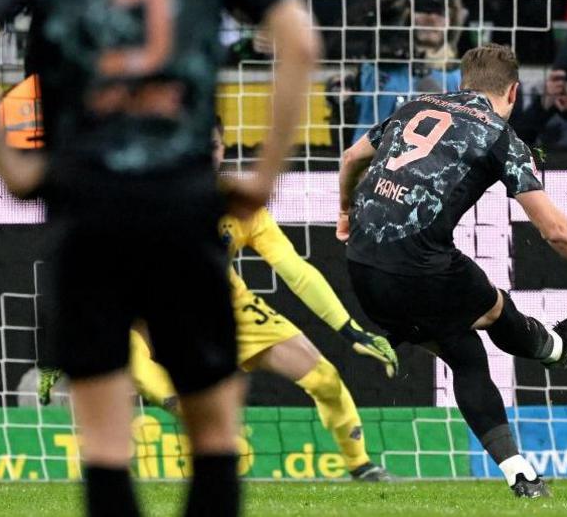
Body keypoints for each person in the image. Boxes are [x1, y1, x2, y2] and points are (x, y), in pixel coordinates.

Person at [0, 0, 318, 517]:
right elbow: (299, 39)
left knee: (105, 445)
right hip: (182, 204)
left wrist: (10, 168)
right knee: (216, 436)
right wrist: (266, 173)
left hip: (86, 207)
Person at [337, 43, 567, 498]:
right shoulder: (499, 136)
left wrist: (345, 210)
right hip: (421, 265)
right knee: (493, 311)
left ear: (463, 84)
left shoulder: (415, 105)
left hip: (362, 268)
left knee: (464, 353)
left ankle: (519, 473)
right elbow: (556, 232)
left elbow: (350, 158)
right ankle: (555, 347)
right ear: (513, 92)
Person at [125, 118, 398, 482]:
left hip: (226, 307)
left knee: (325, 379)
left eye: (213, 145)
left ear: (222, 149)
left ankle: (362, 466)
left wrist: (349, 330)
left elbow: (295, 271)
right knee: (127, 354)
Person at [350, 0, 465, 143]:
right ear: (408, 15)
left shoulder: (462, 77)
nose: (431, 17)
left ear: (452, 19)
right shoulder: (379, 69)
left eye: (440, 11)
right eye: (423, 9)